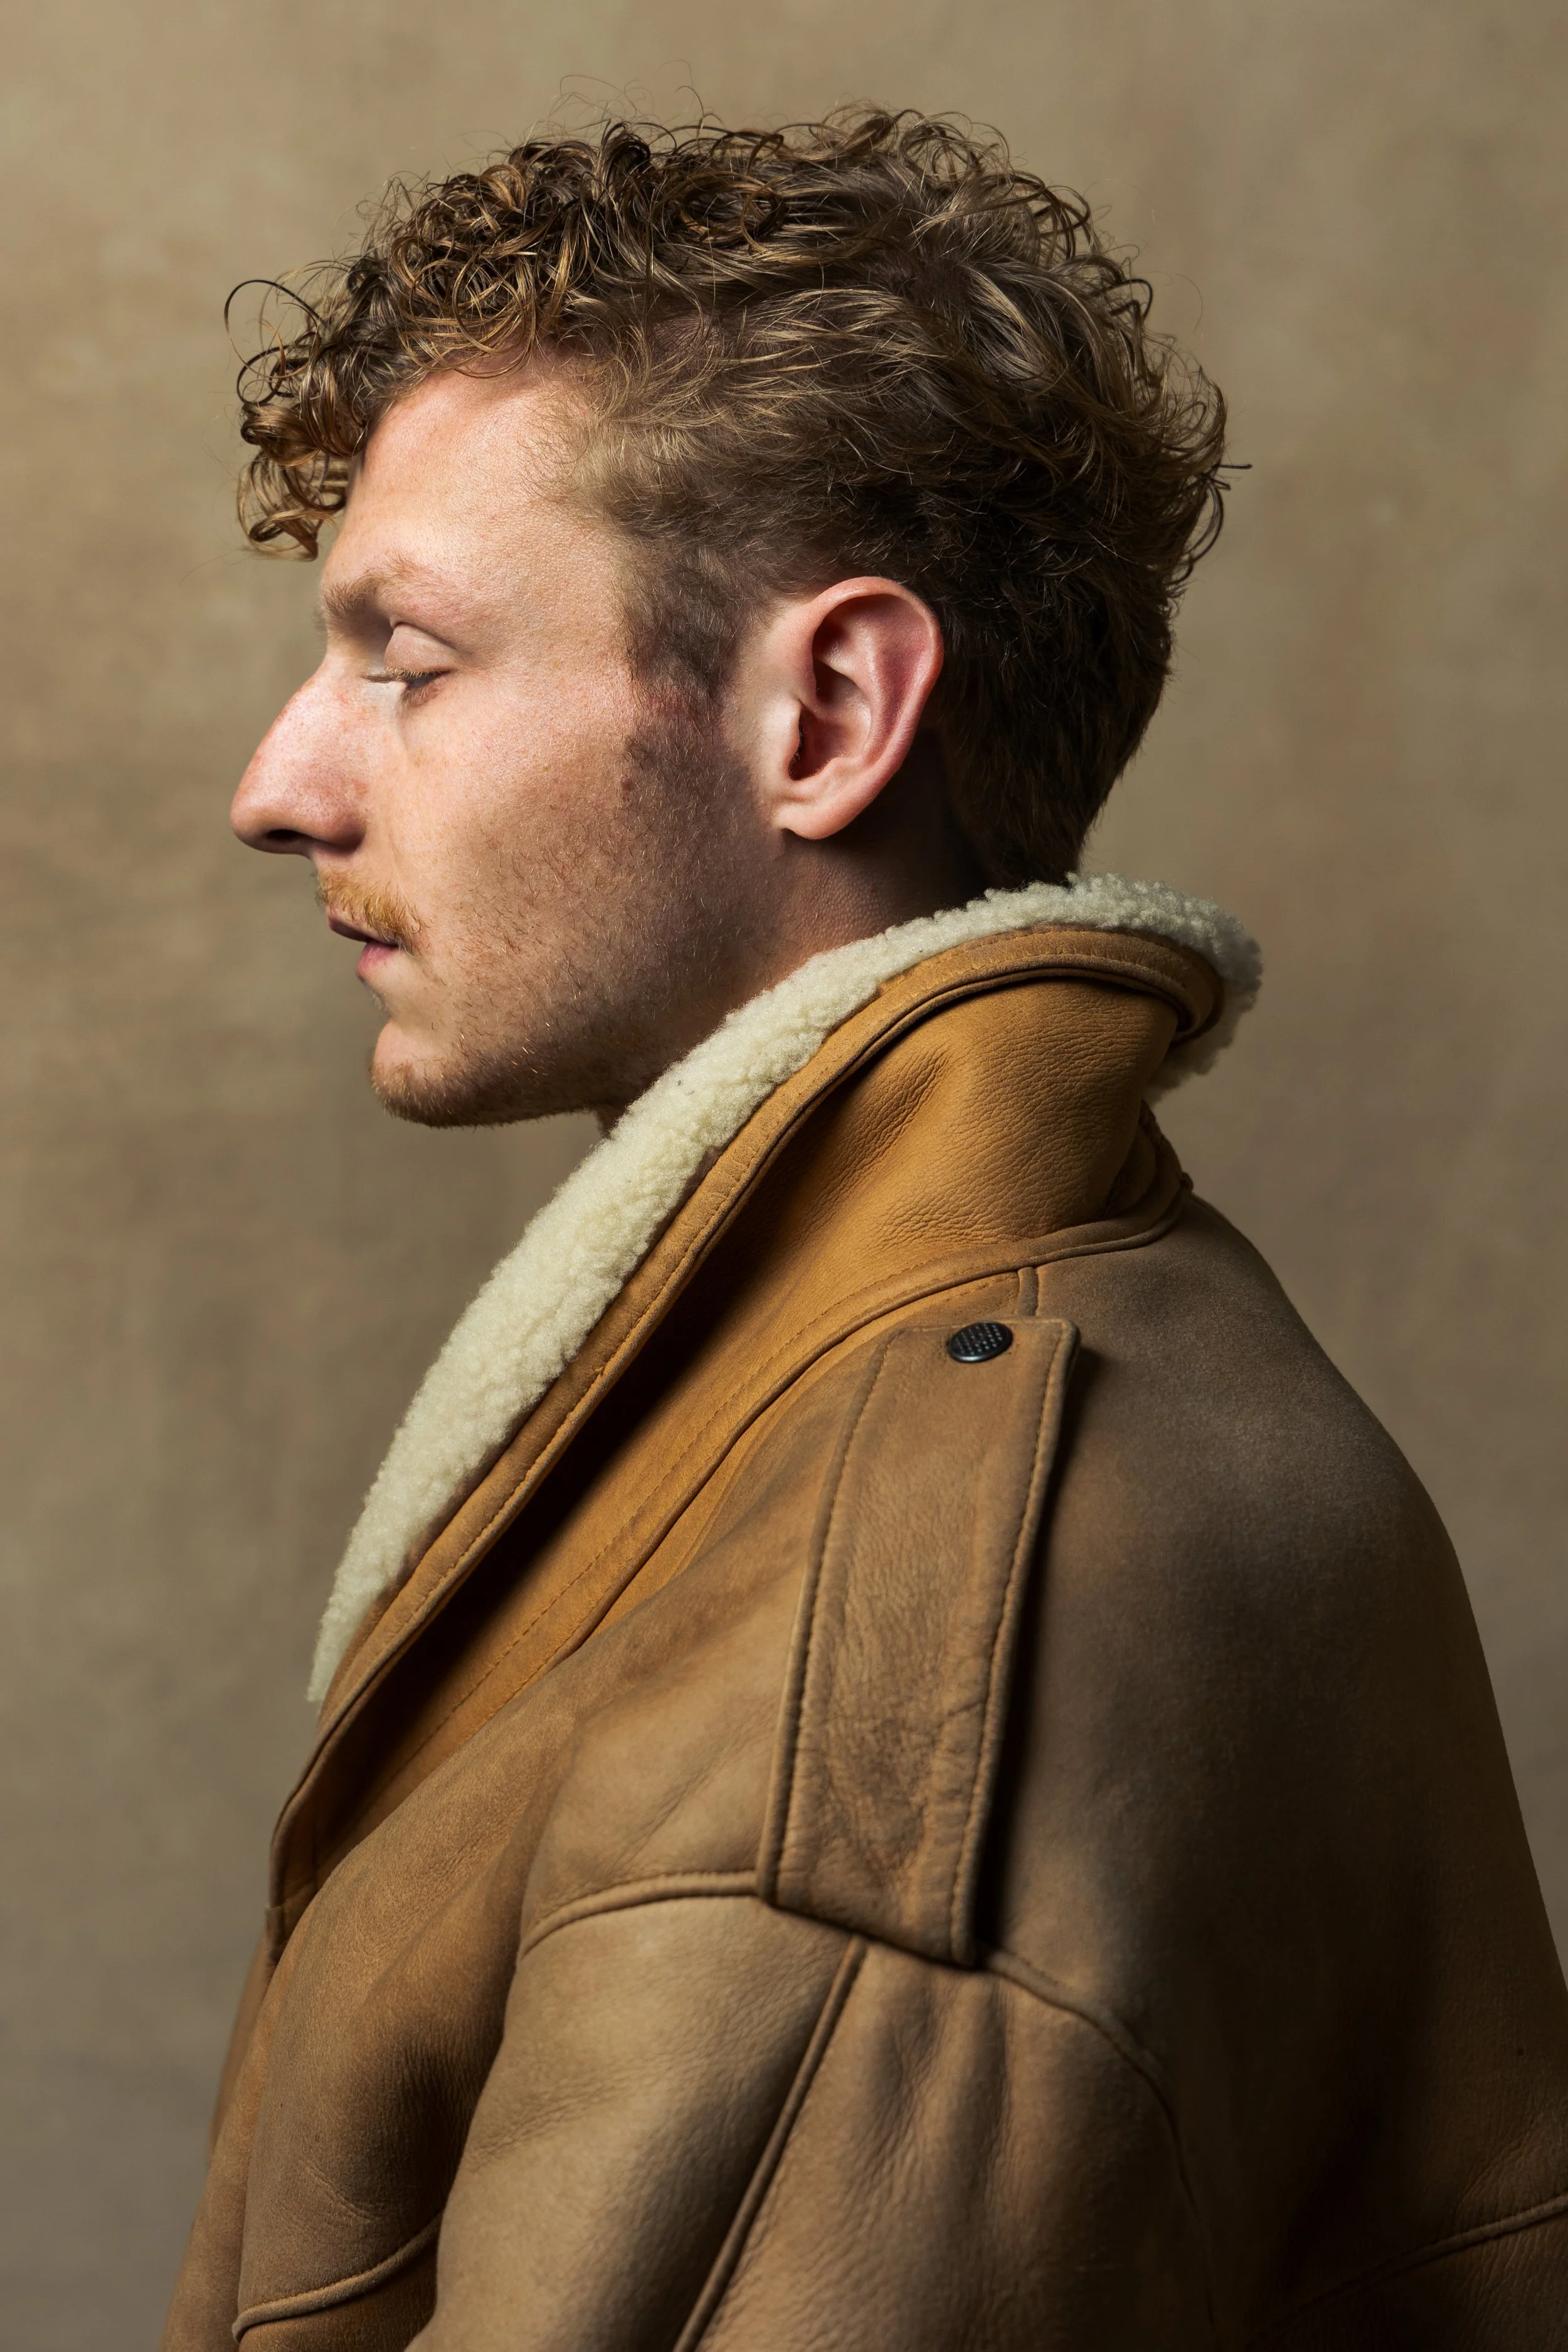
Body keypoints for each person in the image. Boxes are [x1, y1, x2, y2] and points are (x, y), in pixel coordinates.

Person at [163, 110, 1568, 2350]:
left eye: (405, 659)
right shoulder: (1028, 1354)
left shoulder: (895, 1670)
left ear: (821, 709)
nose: (284, 781)